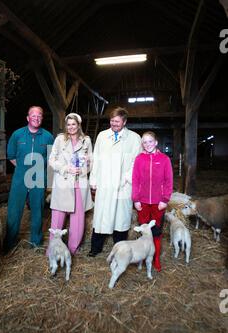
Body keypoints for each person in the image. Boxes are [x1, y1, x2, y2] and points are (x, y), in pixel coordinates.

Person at [88, 107, 142, 256]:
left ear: (124, 122)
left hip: (123, 185)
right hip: (104, 183)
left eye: (117, 121)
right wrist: (93, 180)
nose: (114, 124)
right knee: (100, 217)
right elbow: (96, 159)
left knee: (121, 218)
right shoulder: (102, 136)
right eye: (112, 121)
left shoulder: (134, 138)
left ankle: (119, 249)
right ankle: (95, 248)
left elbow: (136, 163)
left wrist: (126, 178)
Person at [4, 106, 54, 252]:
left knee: (37, 210)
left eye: (39, 116)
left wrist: (49, 183)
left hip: (39, 177)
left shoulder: (48, 137)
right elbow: (11, 156)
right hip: (20, 177)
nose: (36, 118)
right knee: (14, 209)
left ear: (42, 118)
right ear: (28, 118)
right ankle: (10, 242)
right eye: (33, 115)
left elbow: (51, 160)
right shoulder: (17, 135)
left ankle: (36, 242)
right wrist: (23, 170)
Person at [48, 113, 93, 254]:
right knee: (57, 218)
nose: (71, 127)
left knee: (78, 219)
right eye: (68, 124)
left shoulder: (86, 140)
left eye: (74, 124)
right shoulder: (60, 139)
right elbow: (51, 160)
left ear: (78, 125)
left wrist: (83, 169)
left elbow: (91, 161)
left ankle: (73, 248)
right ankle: (53, 249)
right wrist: (66, 168)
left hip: (79, 183)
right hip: (63, 182)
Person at [132, 131, 173, 272]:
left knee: (156, 230)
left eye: (150, 141)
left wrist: (165, 199)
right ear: (142, 144)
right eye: (145, 142)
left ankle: (155, 258)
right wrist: (136, 199)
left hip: (158, 203)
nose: (147, 144)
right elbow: (135, 180)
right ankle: (142, 257)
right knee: (144, 230)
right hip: (142, 201)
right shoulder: (139, 159)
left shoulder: (164, 159)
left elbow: (169, 181)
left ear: (156, 142)